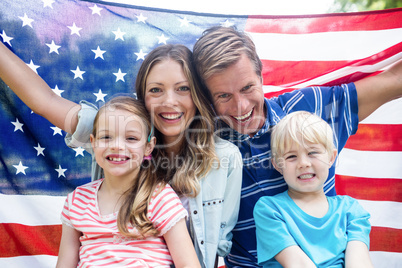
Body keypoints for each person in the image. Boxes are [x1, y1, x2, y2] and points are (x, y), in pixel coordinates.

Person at [0, 42, 242, 268]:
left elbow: (219, 246)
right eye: (156, 90)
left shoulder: (225, 158)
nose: (169, 101)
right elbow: (45, 101)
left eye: (183, 88)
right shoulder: (112, 127)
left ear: (198, 94)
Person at [192, 26, 402, 267]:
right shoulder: (204, 146)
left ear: (261, 77)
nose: (240, 106)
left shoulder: (311, 109)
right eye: (223, 96)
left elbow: (394, 80)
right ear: (208, 98)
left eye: (247, 87)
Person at [57, 96, 200, 267]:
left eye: (131, 138)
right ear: (93, 143)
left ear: (148, 146)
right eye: (106, 137)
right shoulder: (77, 201)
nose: (117, 146)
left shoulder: (160, 197)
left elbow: (188, 264)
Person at [253, 111, 373, 268]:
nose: (303, 163)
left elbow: (359, 262)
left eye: (312, 153)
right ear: (278, 165)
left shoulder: (351, 210)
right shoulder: (270, 209)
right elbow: (296, 263)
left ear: (331, 157)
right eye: (291, 157)